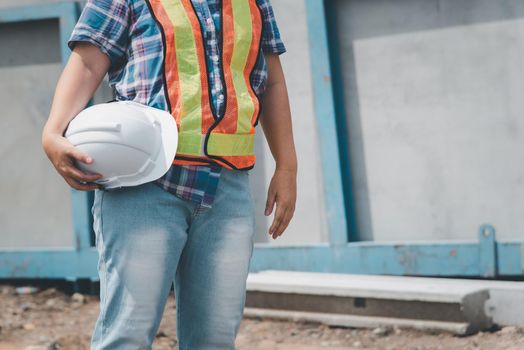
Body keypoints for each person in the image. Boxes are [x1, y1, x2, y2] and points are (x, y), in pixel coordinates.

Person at [41, 0, 297, 349]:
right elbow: (87, 62)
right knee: (127, 334)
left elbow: (273, 81)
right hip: (144, 186)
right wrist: (53, 131)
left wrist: (287, 165)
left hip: (227, 190)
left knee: (215, 339)